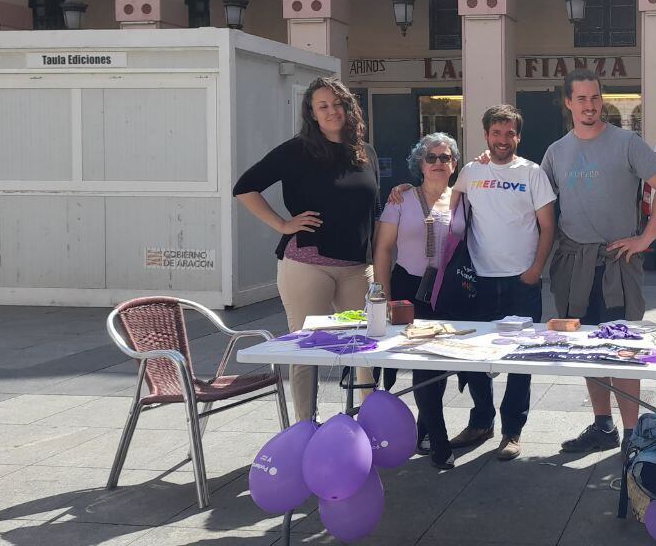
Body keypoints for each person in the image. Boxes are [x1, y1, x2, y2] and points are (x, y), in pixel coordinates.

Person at [541, 69, 656, 454]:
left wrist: (646, 238)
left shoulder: (626, 142)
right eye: (581, 98)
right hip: (574, 263)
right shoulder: (556, 152)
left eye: (595, 98)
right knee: (586, 347)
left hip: (618, 262)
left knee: (624, 349)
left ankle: (632, 433)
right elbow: (538, 204)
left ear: (602, 100)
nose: (589, 105)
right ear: (568, 103)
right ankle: (603, 426)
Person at [232, 76, 379, 423]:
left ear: (348, 107)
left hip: (358, 265)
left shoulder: (365, 152)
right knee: (306, 348)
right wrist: (282, 224)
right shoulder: (296, 150)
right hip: (308, 263)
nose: (331, 111)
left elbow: (370, 207)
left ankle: (368, 421)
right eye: (322, 106)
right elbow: (245, 187)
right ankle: (304, 426)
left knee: (366, 346)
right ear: (312, 113)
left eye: (337, 104)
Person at [435, 104, 555, 463]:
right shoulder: (472, 170)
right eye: (496, 133)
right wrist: (402, 194)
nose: (503, 140)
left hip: (522, 281)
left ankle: (512, 431)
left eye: (510, 133)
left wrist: (536, 269)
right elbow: (448, 205)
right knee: (475, 358)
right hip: (479, 280)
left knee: (520, 359)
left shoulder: (532, 173)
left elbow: (548, 226)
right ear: (486, 134)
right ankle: (481, 421)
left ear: (518, 136)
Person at [372, 133, 461, 455]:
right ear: (419, 164)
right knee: (423, 361)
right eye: (431, 157)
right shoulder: (401, 199)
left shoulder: (462, 199)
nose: (439, 163)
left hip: (447, 291)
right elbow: (382, 250)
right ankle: (438, 440)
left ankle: (424, 428)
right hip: (409, 288)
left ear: (454, 163)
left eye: (445, 157)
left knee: (439, 363)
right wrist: (382, 296)